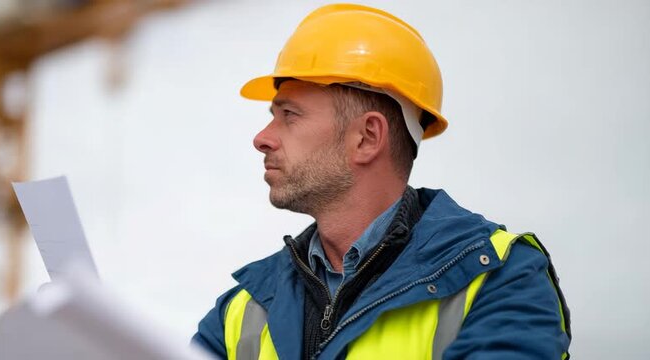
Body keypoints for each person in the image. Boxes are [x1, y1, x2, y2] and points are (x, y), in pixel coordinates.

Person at [192, 4, 571, 360]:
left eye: (289, 115)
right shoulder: (246, 308)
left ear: (368, 137)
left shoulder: (498, 280)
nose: (263, 137)